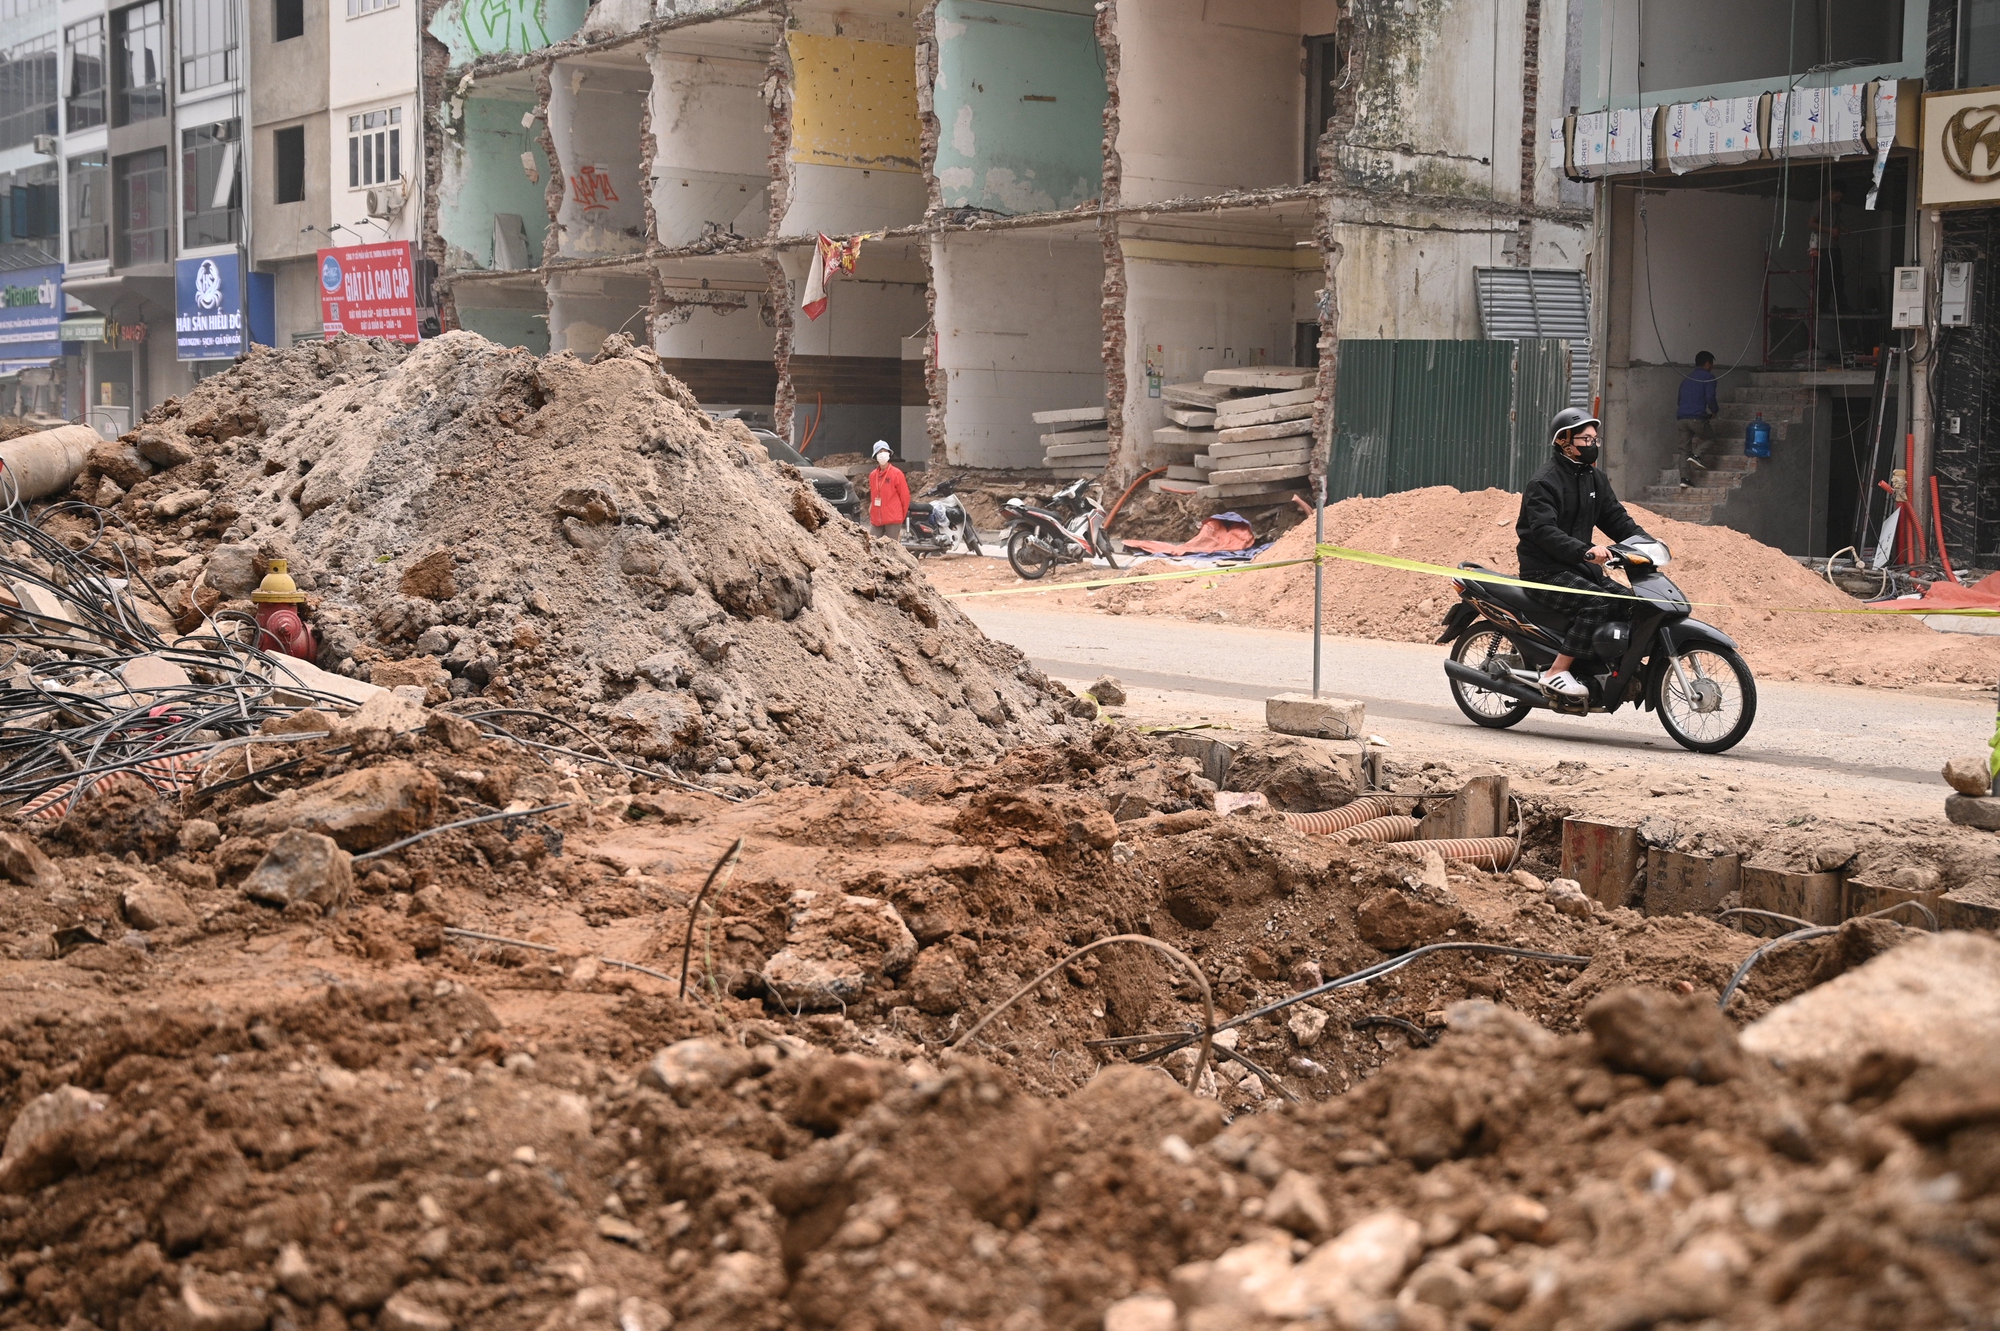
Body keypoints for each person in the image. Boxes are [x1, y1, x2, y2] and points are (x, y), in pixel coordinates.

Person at [1516, 408, 1651, 699]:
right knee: (1598, 604)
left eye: (1595, 439)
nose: (1593, 445)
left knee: (1632, 603)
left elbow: (1616, 518)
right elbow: (1544, 532)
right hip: (1544, 570)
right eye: (1585, 439)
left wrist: (1645, 542)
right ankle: (1556, 672)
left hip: (1578, 567)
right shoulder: (1544, 482)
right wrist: (1586, 551)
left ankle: (1604, 669)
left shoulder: (1594, 479)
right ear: (1564, 441)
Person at [1675, 351, 1719, 487]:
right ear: (1707, 363)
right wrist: (1714, 411)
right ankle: (1697, 455)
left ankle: (1684, 479)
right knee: (1711, 438)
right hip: (1696, 418)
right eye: (1711, 363)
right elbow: (1710, 398)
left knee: (1683, 450)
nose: (1711, 366)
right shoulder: (1708, 377)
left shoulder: (1686, 378)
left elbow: (1679, 399)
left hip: (1682, 418)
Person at [866, 441, 909, 538]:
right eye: (880, 452)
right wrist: (872, 507)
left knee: (891, 548)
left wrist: (901, 516)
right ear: (876, 456)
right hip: (877, 519)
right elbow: (873, 495)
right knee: (872, 545)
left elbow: (905, 497)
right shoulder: (873, 475)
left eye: (885, 451)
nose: (882, 454)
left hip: (893, 518)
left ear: (889, 454)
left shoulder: (897, 473)